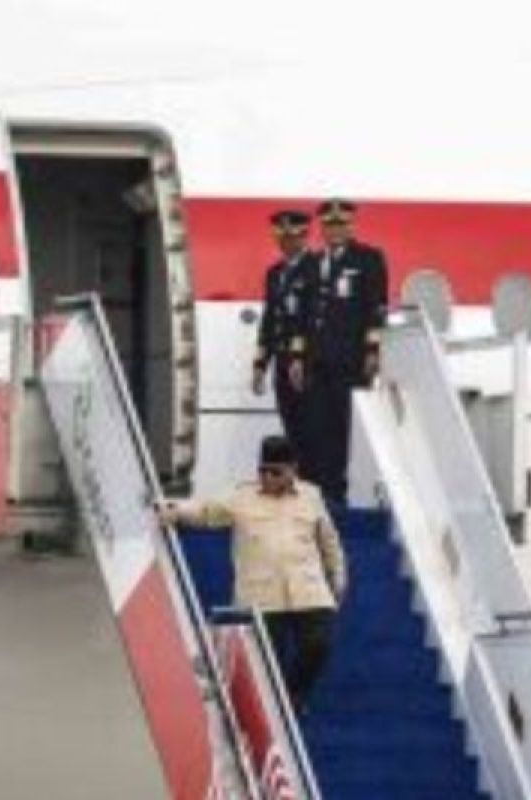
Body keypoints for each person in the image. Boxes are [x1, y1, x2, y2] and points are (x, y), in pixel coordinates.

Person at [158, 435, 347, 712]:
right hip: (263, 595)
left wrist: (337, 579)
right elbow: (206, 511)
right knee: (268, 662)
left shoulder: (311, 496)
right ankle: (277, 710)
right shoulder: (242, 497)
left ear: (293, 470)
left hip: (309, 591)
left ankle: (292, 697)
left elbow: (329, 542)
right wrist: (174, 511)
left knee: (318, 645)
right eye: (263, 471)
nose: (267, 477)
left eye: (276, 472)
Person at [300, 198, 389, 505]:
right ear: (322, 228)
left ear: (351, 226)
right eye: (329, 225)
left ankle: (338, 496)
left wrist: (372, 349)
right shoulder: (313, 262)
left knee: (343, 430)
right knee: (316, 429)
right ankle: (319, 492)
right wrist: (299, 356)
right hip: (317, 361)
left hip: (349, 360)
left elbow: (376, 308)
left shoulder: (368, 259)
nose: (335, 230)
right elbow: (305, 314)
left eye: (341, 225)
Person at [253, 210, 316, 479]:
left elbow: (312, 319)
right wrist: (260, 364)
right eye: (282, 238)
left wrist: (299, 356)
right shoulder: (275, 273)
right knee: (291, 426)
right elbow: (270, 320)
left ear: (304, 236)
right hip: (282, 362)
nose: (286, 243)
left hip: (307, 364)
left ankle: (312, 484)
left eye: (292, 237)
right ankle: (297, 481)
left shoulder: (316, 268)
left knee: (311, 430)